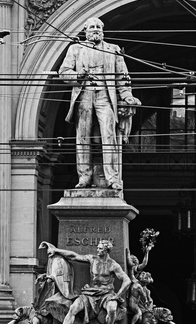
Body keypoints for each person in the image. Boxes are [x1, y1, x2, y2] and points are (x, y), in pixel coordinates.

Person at [59, 17, 140, 193]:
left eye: (98, 27)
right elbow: (64, 72)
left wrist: (127, 96)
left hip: (105, 97)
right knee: (83, 139)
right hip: (84, 96)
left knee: (109, 136)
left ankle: (112, 178)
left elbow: (123, 77)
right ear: (85, 30)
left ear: (102, 30)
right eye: (92, 27)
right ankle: (84, 177)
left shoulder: (113, 49)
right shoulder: (75, 49)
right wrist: (78, 76)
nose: (95, 30)